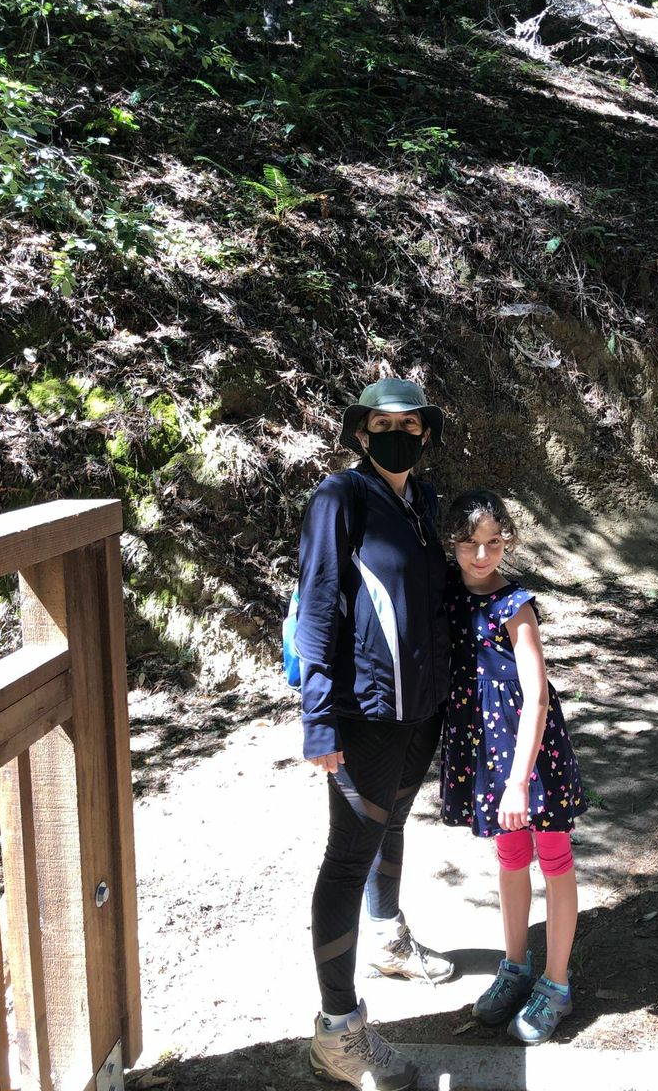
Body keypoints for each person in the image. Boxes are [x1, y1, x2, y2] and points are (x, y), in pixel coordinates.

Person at [296, 378, 453, 1091]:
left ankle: (387, 936)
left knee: (394, 821)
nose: (396, 435)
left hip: (420, 708)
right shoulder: (341, 497)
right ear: (361, 434)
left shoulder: (423, 502)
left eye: (409, 425)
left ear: (425, 434)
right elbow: (318, 604)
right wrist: (319, 717)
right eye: (382, 425)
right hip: (364, 712)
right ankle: (338, 1030)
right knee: (348, 856)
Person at [440, 489, 587, 1045]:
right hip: (485, 750)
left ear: (508, 542)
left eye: (494, 542)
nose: (482, 555)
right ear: (452, 543)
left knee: (553, 857)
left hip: (530, 756)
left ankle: (557, 983)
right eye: (470, 544)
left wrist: (519, 781)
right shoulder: (448, 595)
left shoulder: (515, 605)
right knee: (510, 857)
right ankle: (515, 967)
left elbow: (537, 695)